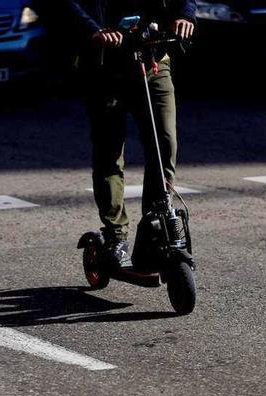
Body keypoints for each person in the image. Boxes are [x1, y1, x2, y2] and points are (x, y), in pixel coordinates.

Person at [41, 0, 196, 266]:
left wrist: (185, 16)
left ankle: (157, 225)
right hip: (104, 67)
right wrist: (94, 30)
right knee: (109, 150)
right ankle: (115, 233)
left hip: (152, 61)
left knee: (164, 144)